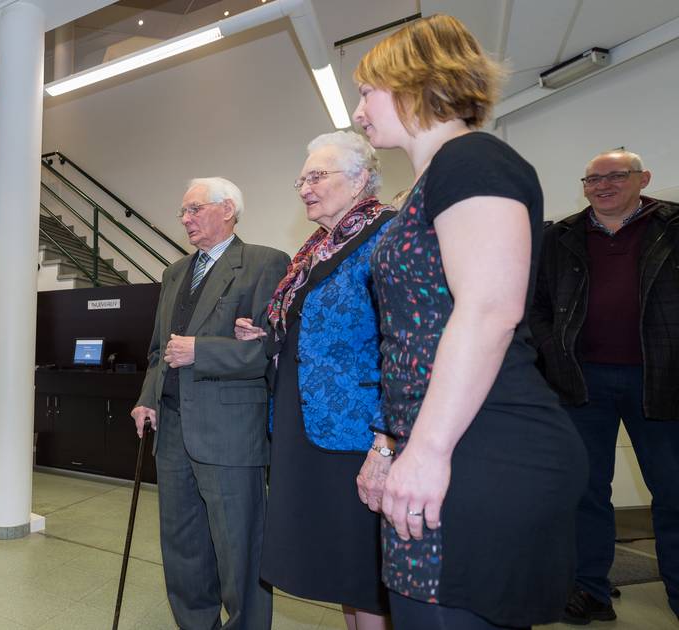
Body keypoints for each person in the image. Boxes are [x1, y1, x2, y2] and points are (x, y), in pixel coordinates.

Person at [351, 14, 587, 629]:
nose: (358, 110)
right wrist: (388, 444)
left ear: (412, 82)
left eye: (366, 91)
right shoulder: (433, 181)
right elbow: (413, 339)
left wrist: (425, 452)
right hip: (444, 442)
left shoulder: (474, 160)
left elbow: (489, 309)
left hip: (483, 444)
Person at [234, 131, 397, 630]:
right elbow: (317, 328)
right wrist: (267, 333)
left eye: (317, 176)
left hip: (357, 430)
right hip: (304, 424)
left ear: (361, 179)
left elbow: (405, 344)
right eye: (302, 178)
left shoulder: (387, 236)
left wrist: (386, 440)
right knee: (339, 567)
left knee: (364, 567)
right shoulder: (317, 248)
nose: (305, 186)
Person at [529, 149, 679, 624]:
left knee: (674, 490)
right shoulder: (561, 236)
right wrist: (554, 353)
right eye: (594, 180)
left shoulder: (672, 227)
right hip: (581, 380)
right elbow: (537, 305)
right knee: (585, 489)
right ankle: (590, 589)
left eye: (616, 176)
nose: (604, 186)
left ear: (643, 178)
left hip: (661, 379)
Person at [131, 177, 289, 629]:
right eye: (183, 212)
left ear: (227, 209)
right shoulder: (174, 273)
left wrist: (202, 350)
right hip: (174, 430)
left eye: (194, 209)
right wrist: (147, 398)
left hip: (230, 433)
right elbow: (159, 349)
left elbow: (270, 350)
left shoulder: (264, 263)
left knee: (239, 546)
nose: (185, 220)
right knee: (182, 547)